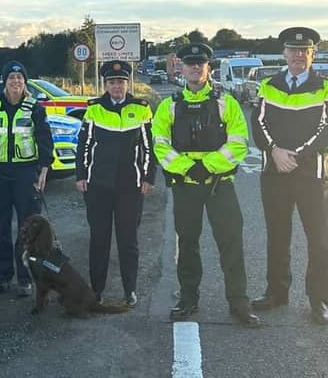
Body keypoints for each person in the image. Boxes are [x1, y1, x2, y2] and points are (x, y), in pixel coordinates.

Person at [152, 43, 260, 327]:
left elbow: (238, 143)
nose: (196, 67)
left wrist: (207, 167)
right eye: (190, 63)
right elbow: (160, 145)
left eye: (201, 63)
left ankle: (239, 302)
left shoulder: (227, 102)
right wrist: (190, 168)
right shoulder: (169, 105)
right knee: (187, 245)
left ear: (208, 67)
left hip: (219, 184)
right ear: (182, 68)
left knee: (231, 243)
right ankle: (188, 299)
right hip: (186, 186)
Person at [250, 27, 328, 325]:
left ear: (313, 54)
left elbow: (326, 128)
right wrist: (274, 151)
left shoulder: (325, 86)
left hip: (311, 173)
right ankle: (276, 293)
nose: (298, 55)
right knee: (277, 236)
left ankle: (319, 299)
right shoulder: (269, 85)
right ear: (284, 53)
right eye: (293, 51)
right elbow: (258, 123)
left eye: (304, 51)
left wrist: (297, 153)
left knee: (319, 239)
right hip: (275, 172)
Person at [75, 60, 156, 307]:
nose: (117, 86)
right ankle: (96, 290)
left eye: (120, 82)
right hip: (98, 186)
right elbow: (84, 146)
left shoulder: (141, 109)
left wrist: (148, 177)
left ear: (127, 83)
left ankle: (129, 290)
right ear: (105, 84)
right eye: (112, 82)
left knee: (128, 241)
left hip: (130, 187)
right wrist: (81, 175)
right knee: (99, 240)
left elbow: (148, 148)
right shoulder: (94, 109)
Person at [0, 60, 54, 297]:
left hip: (25, 173)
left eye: (20, 78)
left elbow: (45, 140)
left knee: (28, 228)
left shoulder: (35, 108)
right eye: (11, 78)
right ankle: (2, 276)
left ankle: (25, 278)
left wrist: (44, 170)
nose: (16, 82)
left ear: (25, 82)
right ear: (4, 81)